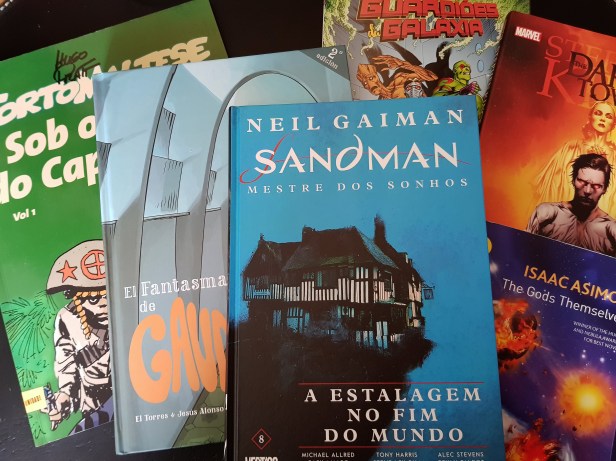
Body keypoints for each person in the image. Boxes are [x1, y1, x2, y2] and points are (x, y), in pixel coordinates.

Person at [42, 240, 112, 433]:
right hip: (96, 411)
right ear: (77, 298)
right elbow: (67, 367)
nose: (104, 305)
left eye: (108, 295)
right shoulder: (67, 319)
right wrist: (63, 399)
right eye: (93, 298)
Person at [535, 101, 616, 216]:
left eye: (608, 116)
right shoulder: (570, 148)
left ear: (613, 124)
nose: (602, 119)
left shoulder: (614, 156)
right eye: (598, 113)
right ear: (590, 117)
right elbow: (553, 186)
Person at [527, 153, 616, 256]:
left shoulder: (611, 231)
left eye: (596, 186)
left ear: (605, 189)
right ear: (573, 180)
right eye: (582, 182)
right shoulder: (547, 214)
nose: (587, 191)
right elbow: (521, 254)